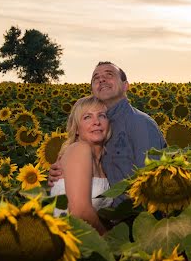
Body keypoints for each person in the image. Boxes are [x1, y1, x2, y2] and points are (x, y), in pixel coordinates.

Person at [34, 95, 113, 261]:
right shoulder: (80, 150)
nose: (96, 122)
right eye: (87, 117)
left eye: (102, 116)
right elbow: (79, 210)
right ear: (76, 129)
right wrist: (114, 245)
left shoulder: (104, 162)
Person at [49, 61, 166, 191]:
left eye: (109, 75)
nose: (102, 79)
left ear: (126, 85)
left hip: (130, 210)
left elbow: (152, 183)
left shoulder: (140, 123)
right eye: (96, 78)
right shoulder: (93, 128)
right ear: (93, 90)